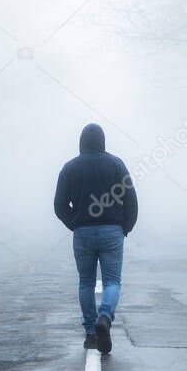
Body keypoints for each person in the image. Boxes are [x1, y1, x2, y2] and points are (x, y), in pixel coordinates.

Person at [54, 124, 138, 353]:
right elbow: (131, 200)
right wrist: (125, 228)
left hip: (83, 232)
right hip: (112, 231)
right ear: (103, 141)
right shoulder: (116, 164)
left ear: (81, 142)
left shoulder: (70, 168)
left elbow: (59, 205)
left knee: (86, 283)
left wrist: (75, 223)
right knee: (112, 281)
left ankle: (91, 333)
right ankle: (105, 316)